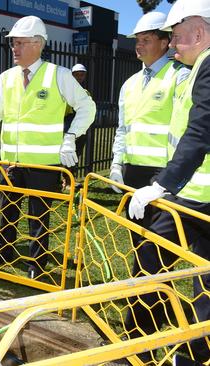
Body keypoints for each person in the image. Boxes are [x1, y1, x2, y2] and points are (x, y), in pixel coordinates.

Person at [0, 16, 96, 279]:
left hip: (44, 163)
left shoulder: (58, 75)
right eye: (13, 44)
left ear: (38, 44)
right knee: (7, 210)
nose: (14, 49)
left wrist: (71, 137)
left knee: (39, 217)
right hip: (10, 162)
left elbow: (88, 107)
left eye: (19, 43)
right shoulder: (6, 78)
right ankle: (4, 250)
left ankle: (36, 263)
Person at [126, 1, 210, 363]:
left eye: (175, 37)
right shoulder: (195, 69)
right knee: (204, 284)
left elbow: (200, 131)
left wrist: (161, 185)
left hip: (192, 194)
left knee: (148, 261)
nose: (173, 44)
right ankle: (189, 354)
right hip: (194, 192)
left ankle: (137, 345)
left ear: (200, 32)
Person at [108, 12, 190, 253]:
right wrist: (116, 164)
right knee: (137, 237)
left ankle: (153, 289)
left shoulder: (180, 76)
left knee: (158, 245)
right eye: (137, 40)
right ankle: (142, 288)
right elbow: (123, 129)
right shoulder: (129, 84)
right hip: (132, 172)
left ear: (164, 43)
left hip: (161, 175)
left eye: (146, 40)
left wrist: (168, 178)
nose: (138, 46)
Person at [62, 63, 91, 190]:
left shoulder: (86, 92)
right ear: (72, 75)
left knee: (75, 154)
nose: (79, 77)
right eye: (76, 74)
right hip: (67, 126)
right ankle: (65, 181)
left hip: (81, 127)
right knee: (63, 154)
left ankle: (69, 180)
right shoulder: (64, 91)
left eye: (82, 74)